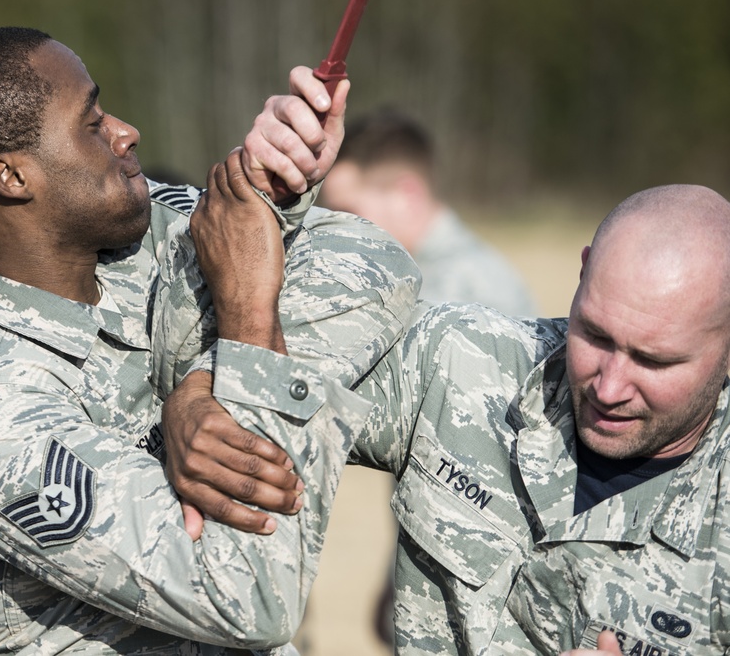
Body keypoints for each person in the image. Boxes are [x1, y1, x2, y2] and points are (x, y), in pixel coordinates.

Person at [0, 26, 420, 654]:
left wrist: (274, 195)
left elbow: (373, 260)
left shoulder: (131, 241)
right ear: (11, 176)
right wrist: (249, 322)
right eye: (91, 123)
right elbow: (251, 599)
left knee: (452, 350)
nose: (125, 131)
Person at [167, 183, 730, 654]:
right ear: (583, 274)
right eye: (596, 334)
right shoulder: (463, 362)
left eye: (654, 361)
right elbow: (286, 351)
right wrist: (204, 383)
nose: (608, 386)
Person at [318, 106, 538, 649]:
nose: (339, 233)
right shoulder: (442, 273)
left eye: (348, 211)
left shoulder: (456, 292)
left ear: (407, 193)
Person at [318, 106, 537, 317]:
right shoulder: (416, 272)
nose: (334, 229)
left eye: (347, 212)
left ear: (407, 196)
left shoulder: (462, 291)